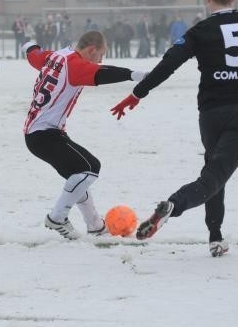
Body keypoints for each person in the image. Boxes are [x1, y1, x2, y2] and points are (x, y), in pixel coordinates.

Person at [111, 0, 238, 257]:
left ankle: (215, 236)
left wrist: (137, 93)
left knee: (214, 171)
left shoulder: (200, 30)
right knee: (215, 175)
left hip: (211, 112)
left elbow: (169, 63)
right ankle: (174, 205)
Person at [23, 31, 147, 240]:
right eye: (101, 54)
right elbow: (103, 73)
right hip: (45, 134)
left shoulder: (54, 56)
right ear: (91, 50)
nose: (101, 60)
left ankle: (95, 225)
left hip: (39, 132)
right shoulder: (75, 65)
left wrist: (29, 45)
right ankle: (57, 217)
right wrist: (135, 75)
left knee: (77, 175)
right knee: (90, 168)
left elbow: (33, 54)